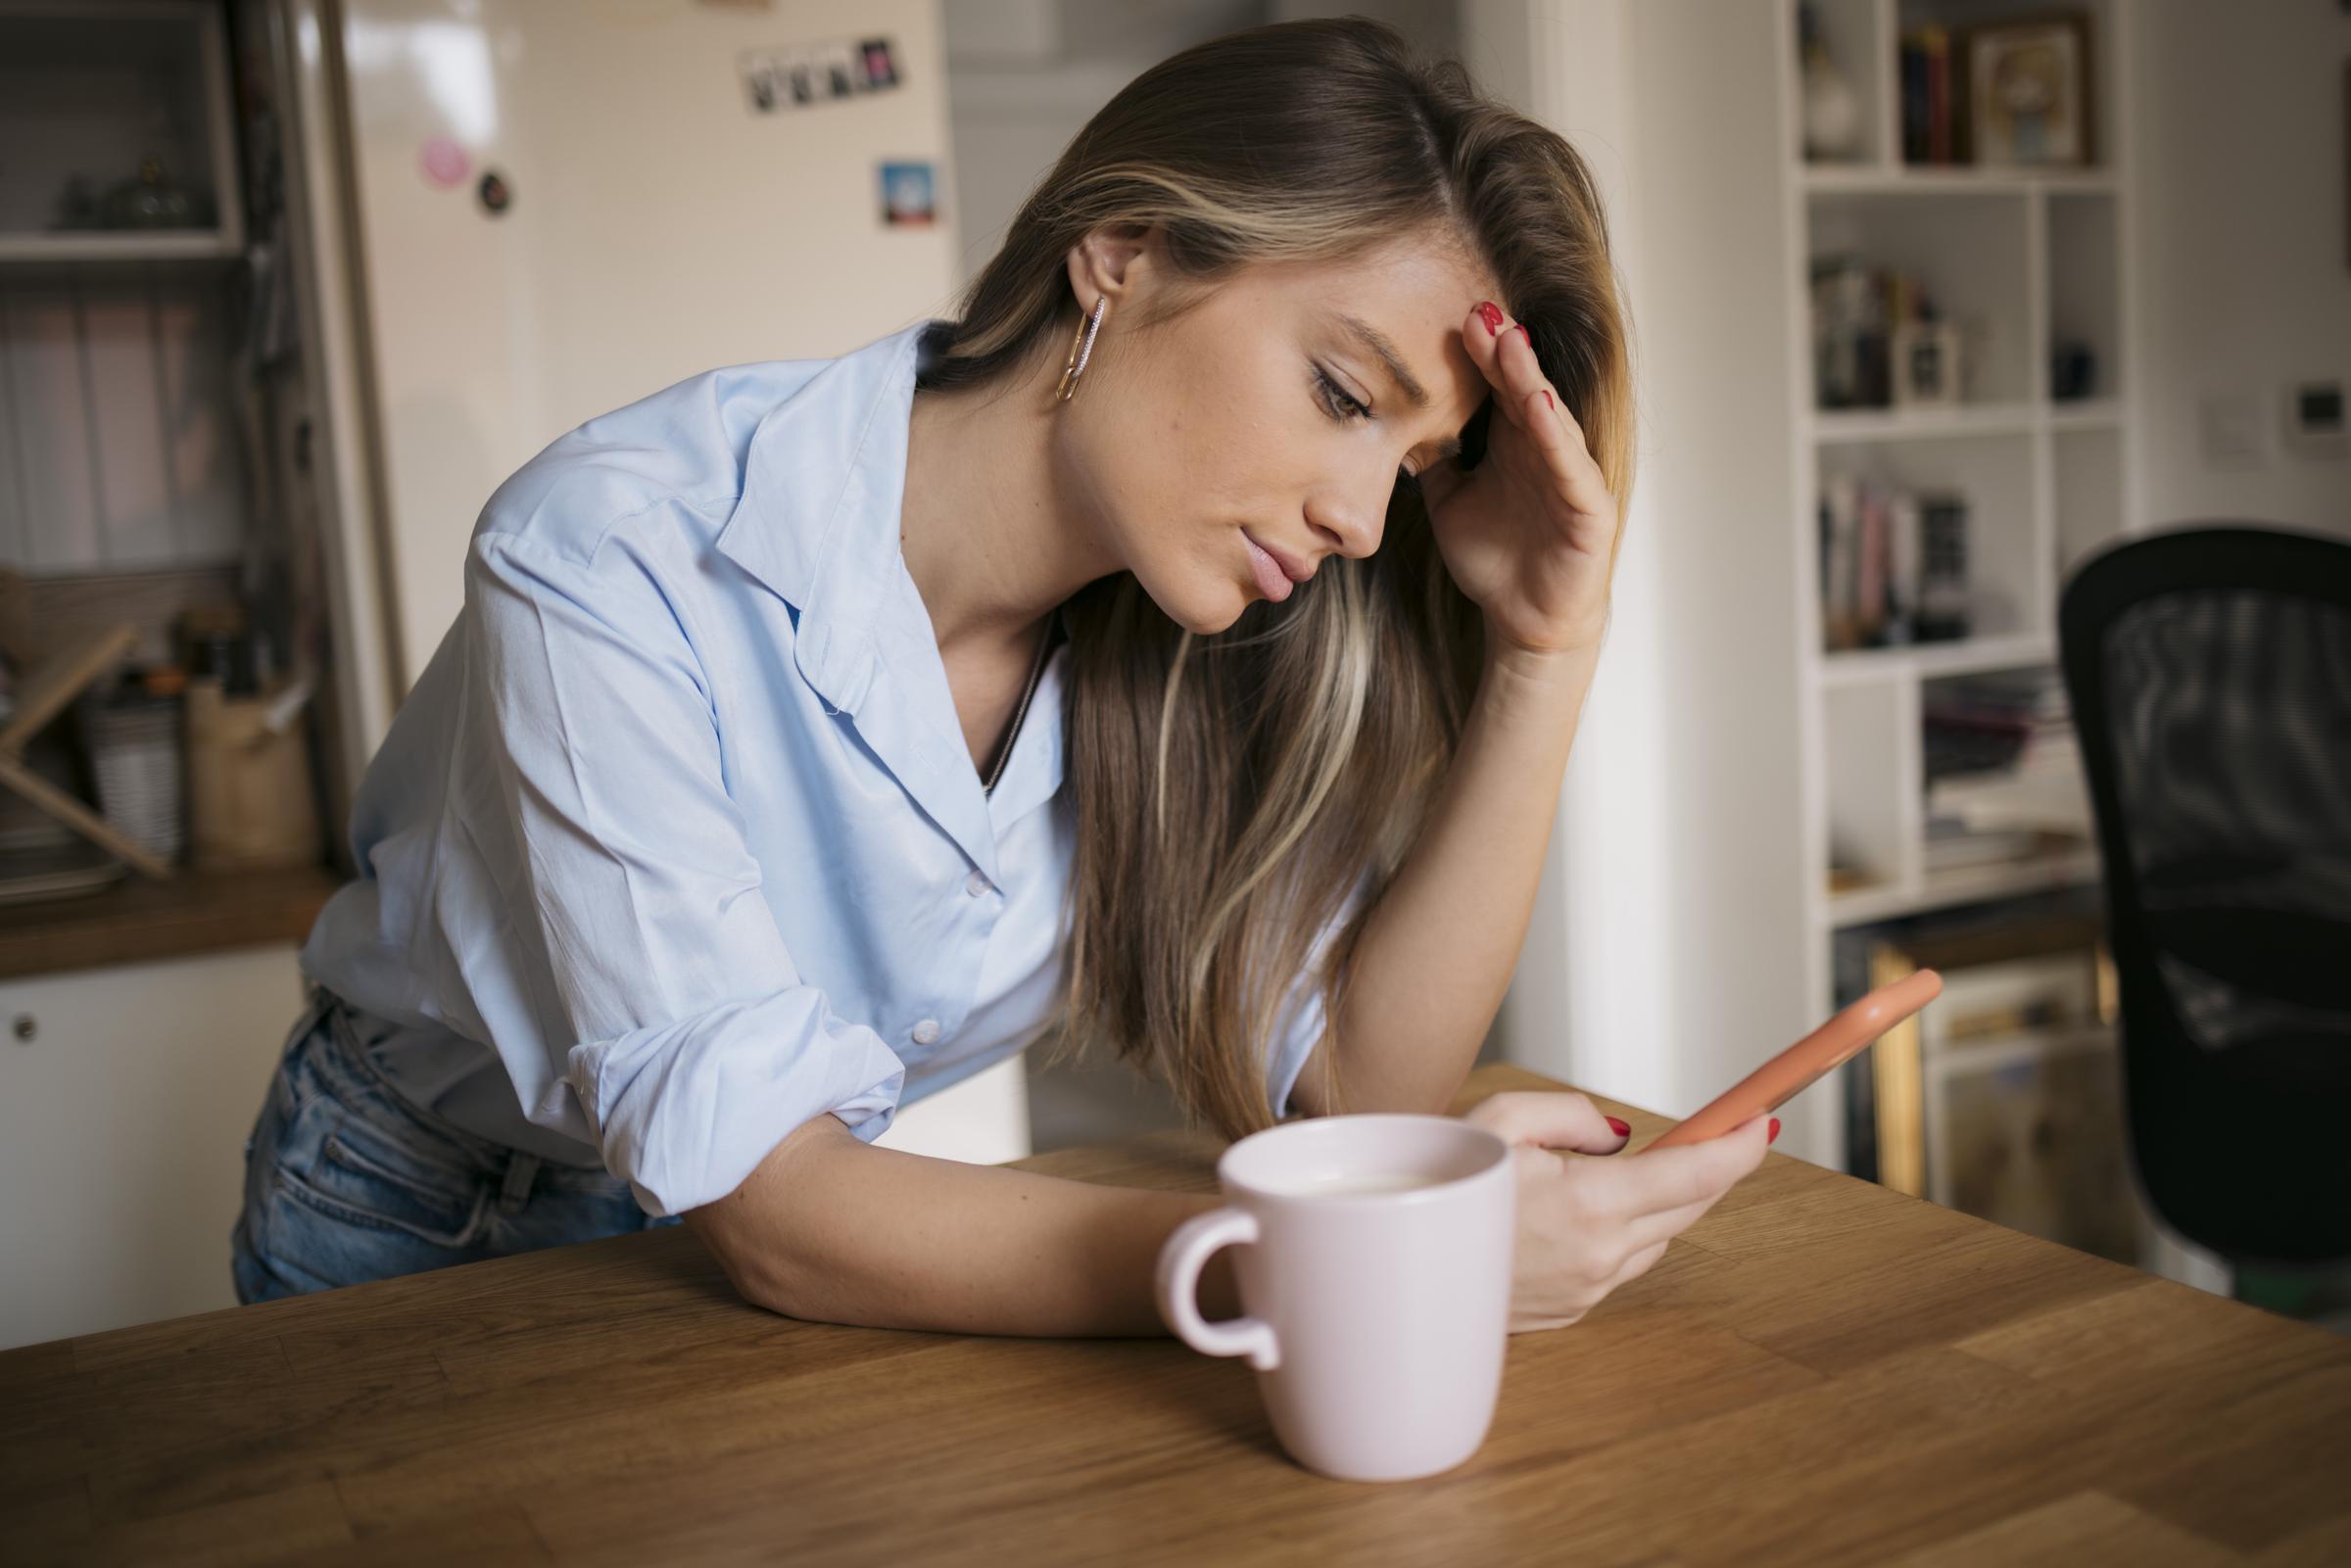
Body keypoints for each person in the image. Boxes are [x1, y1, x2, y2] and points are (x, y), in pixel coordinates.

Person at [231, 18, 1773, 1336]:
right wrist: (1335, 1267)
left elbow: (1369, 1089)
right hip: (417, 1218)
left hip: (823, 1258)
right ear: (1120, 252)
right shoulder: (613, 552)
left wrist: (1544, 644)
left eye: (1415, 463)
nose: (1364, 521)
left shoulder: (1201, 631)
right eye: (1339, 391)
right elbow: (777, 1206)